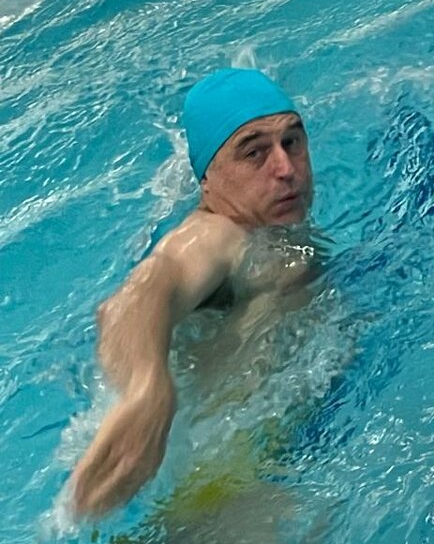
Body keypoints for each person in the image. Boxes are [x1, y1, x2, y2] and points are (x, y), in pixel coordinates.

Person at [70, 67, 316, 518]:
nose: (286, 169)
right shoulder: (216, 235)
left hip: (284, 450)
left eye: (292, 142)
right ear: (208, 179)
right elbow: (138, 295)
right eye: (254, 153)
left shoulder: (273, 233)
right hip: (226, 492)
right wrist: (146, 388)